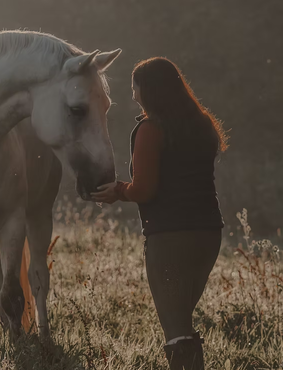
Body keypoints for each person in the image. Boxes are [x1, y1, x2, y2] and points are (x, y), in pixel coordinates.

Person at [91, 57, 229, 370]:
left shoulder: (151, 129)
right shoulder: (202, 123)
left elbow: (144, 190)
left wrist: (118, 191)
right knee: (183, 318)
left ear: (149, 90)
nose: (133, 95)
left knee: (175, 327)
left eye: (134, 88)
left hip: (170, 238)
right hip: (209, 233)